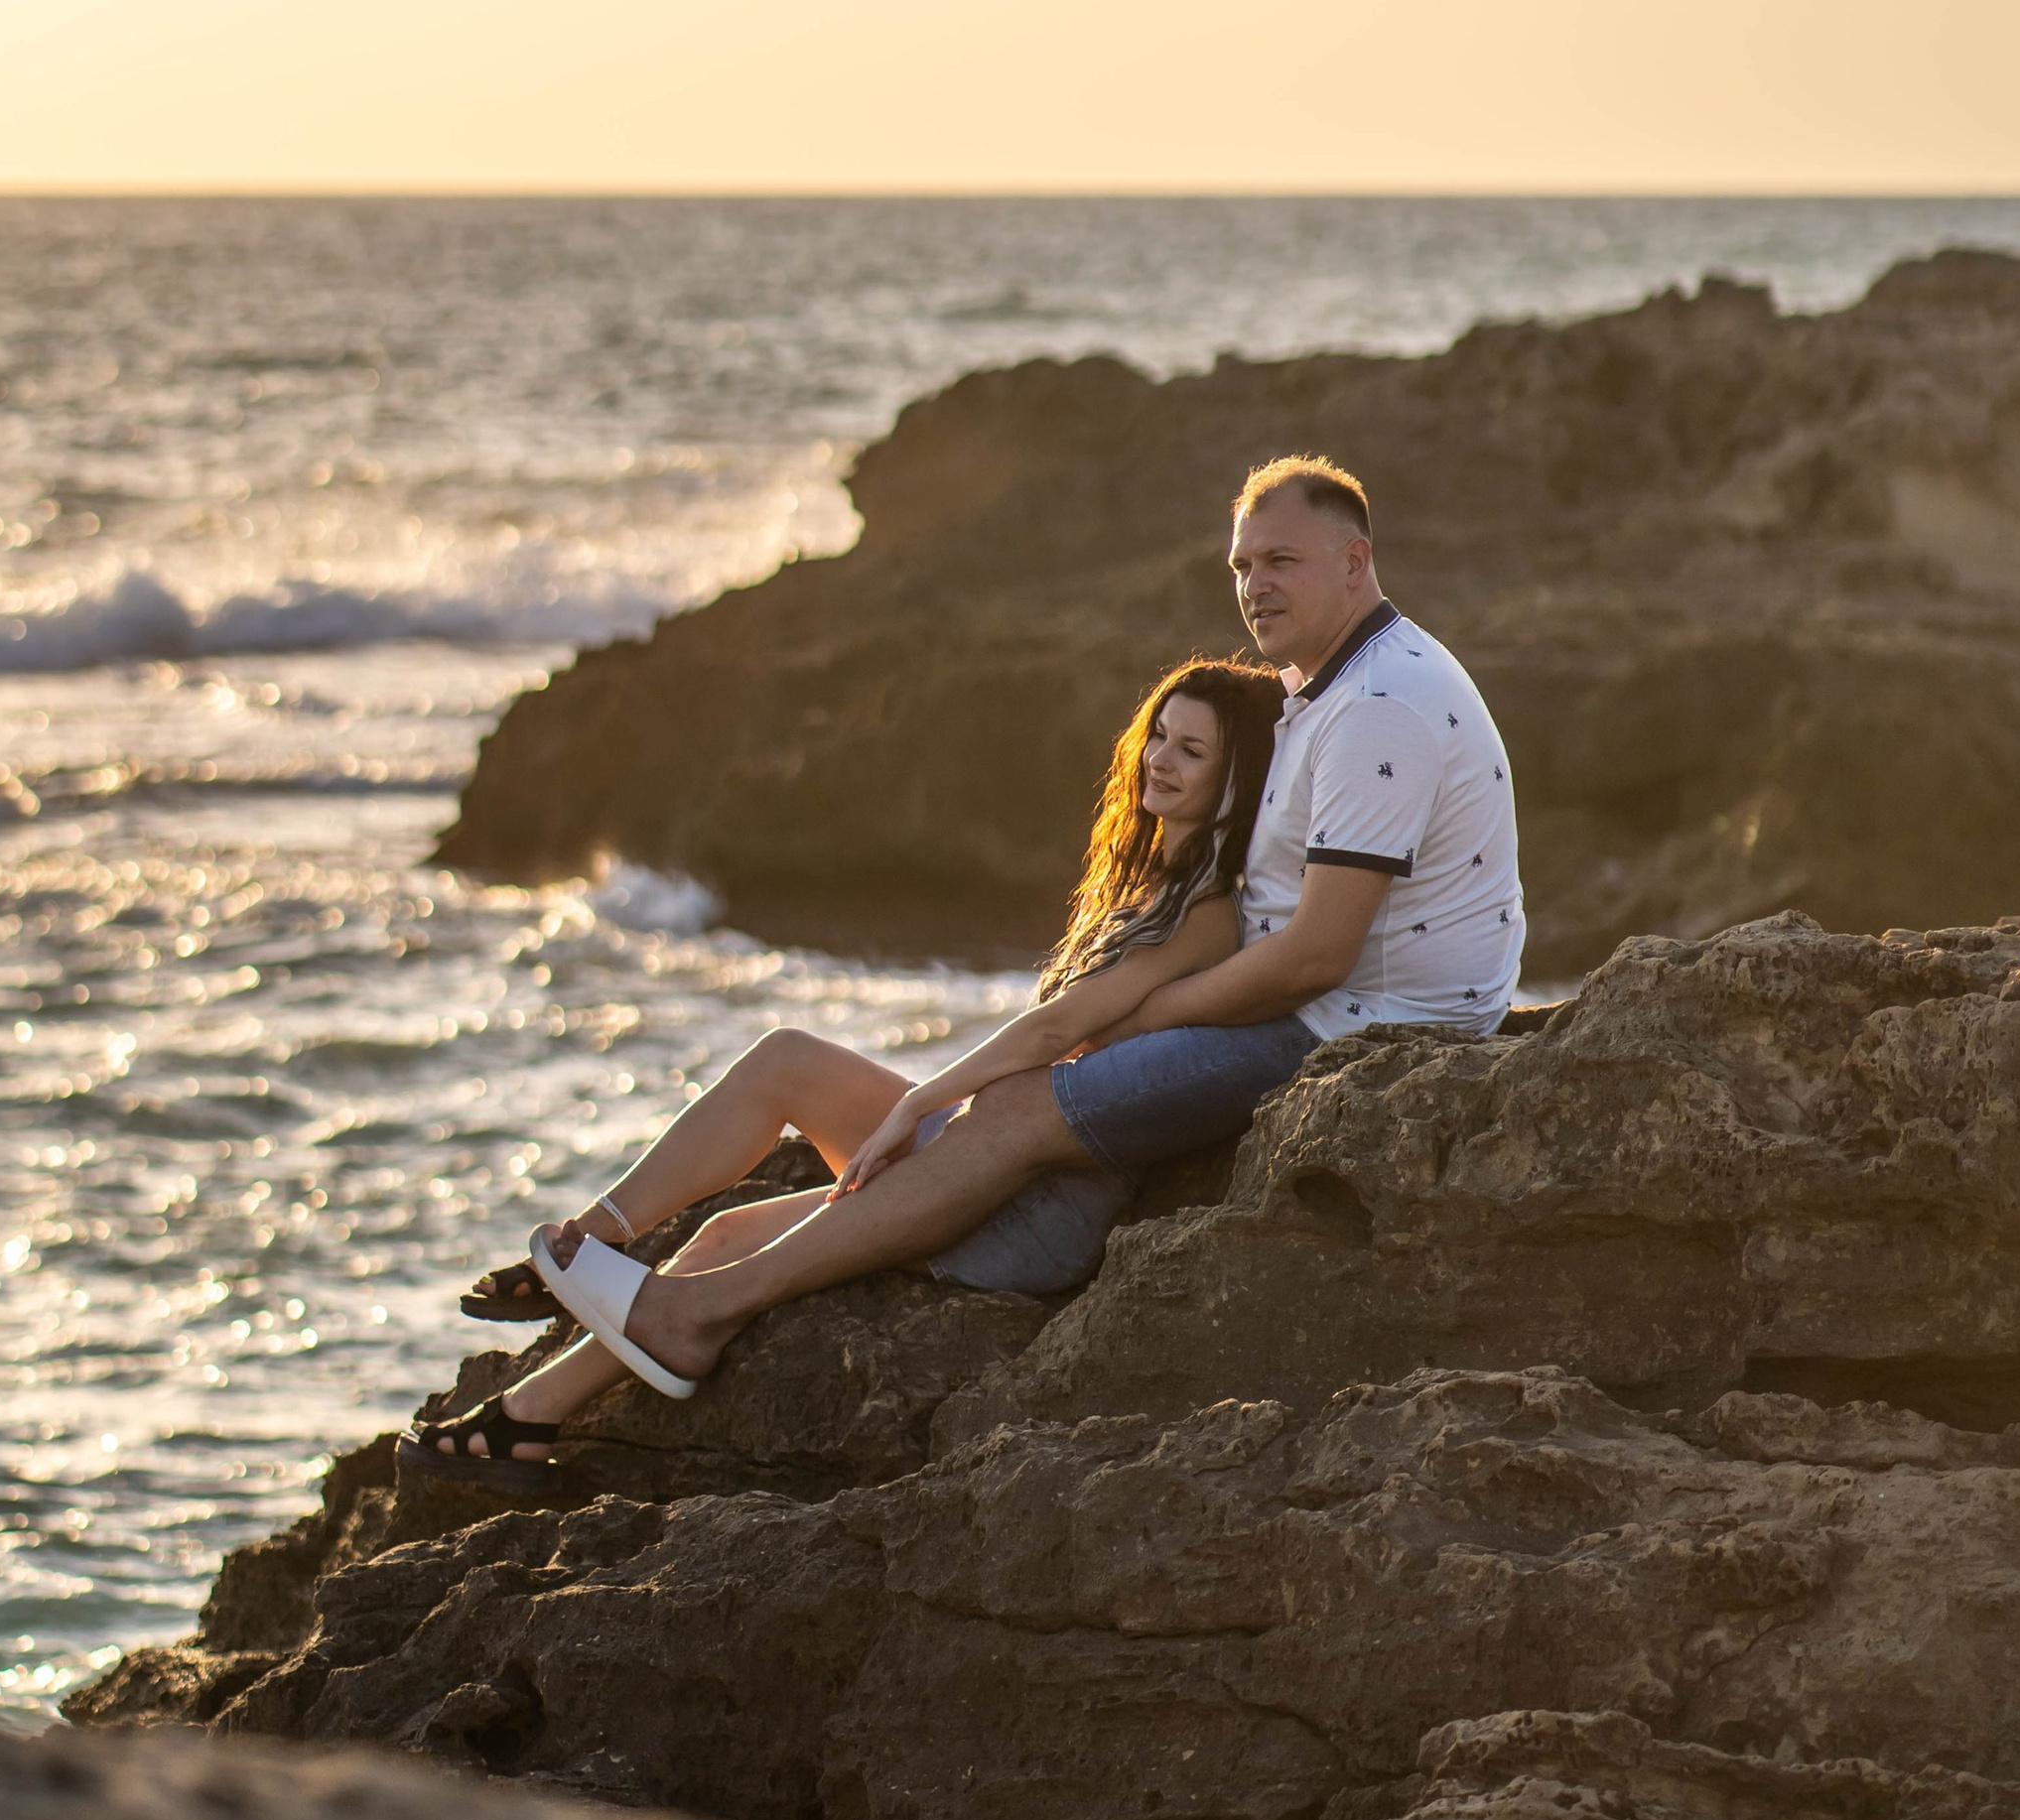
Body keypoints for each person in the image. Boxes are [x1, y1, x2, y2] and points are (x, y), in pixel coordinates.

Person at [427, 453, 1523, 1465]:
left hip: (1358, 1031)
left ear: (1354, 561)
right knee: (778, 1187)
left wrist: (1143, 1022)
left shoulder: (1381, 702)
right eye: (1240, 563)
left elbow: (1313, 954)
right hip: (1322, 1011)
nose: (1254, 585)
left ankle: (686, 1314)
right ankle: (536, 1412)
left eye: (1280, 560)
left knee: (1011, 1113)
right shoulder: (1314, 696)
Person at [400, 655, 1290, 1497]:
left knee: (734, 1229)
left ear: (1233, 782)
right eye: (1160, 737)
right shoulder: (1142, 887)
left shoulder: (1208, 915)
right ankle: (572, 1303)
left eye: (1193, 750)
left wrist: (916, 1100)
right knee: (777, 1082)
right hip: (979, 1149)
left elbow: (1059, 1029)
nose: (1162, 762)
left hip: (1030, 1202)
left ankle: (533, 1394)